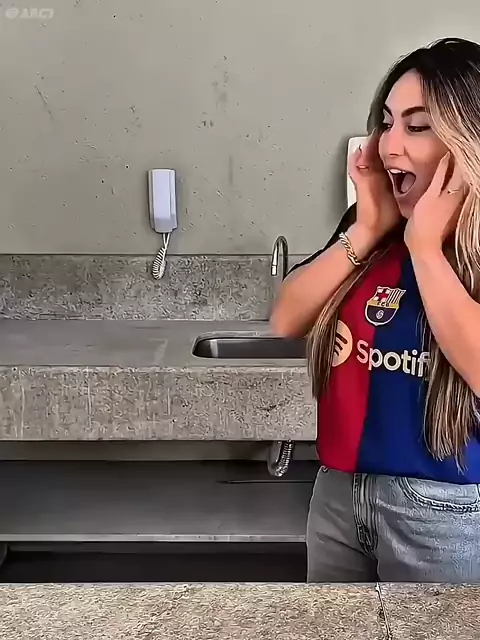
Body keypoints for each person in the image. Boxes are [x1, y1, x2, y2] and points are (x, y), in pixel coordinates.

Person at [270, 37, 480, 583]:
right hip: (339, 495)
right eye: (386, 123)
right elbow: (286, 318)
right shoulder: (372, 227)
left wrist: (425, 248)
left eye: (417, 126)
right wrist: (365, 229)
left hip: (446, 510)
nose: (389, 146)